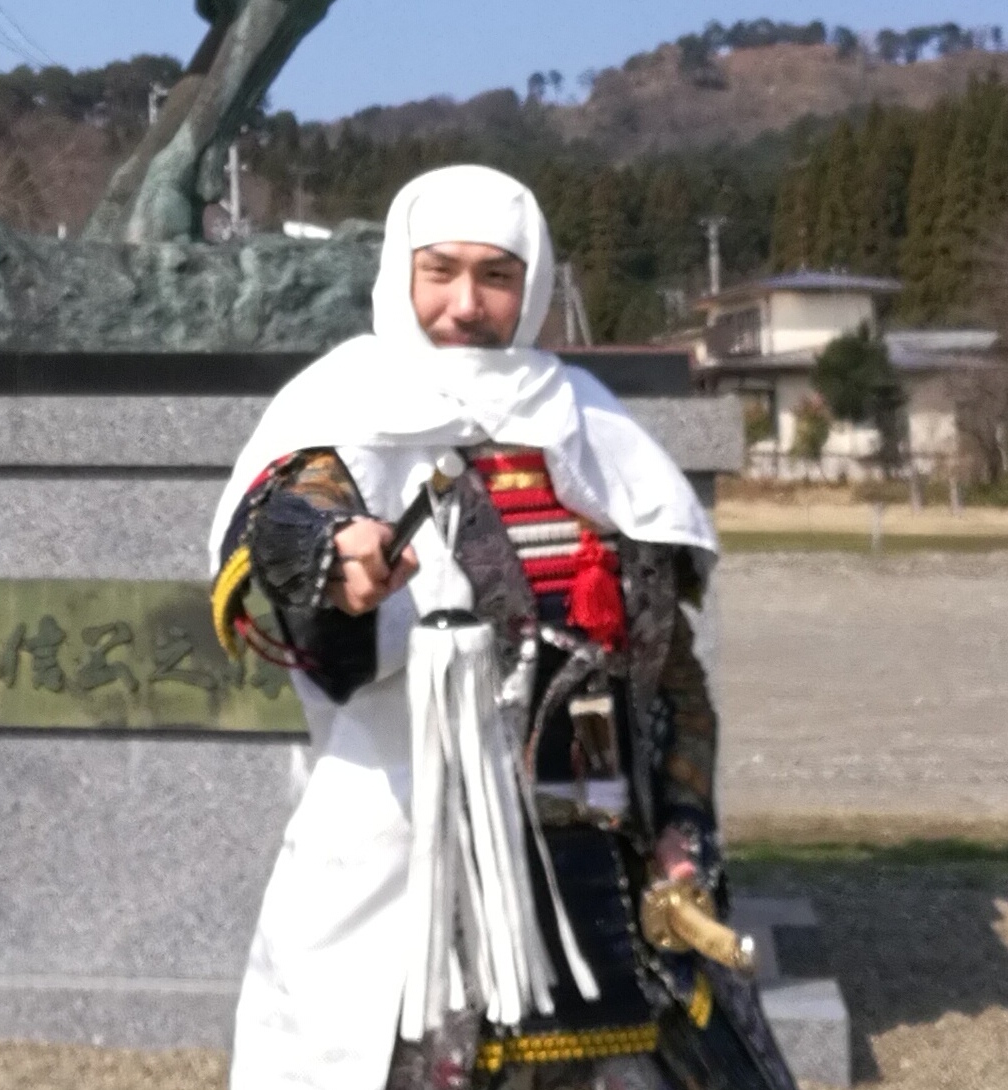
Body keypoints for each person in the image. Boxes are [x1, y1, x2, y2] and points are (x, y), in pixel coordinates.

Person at [209, 166, 797, 1090]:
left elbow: (672, 678)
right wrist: (332, 552)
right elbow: (288, 511)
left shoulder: (589, 420)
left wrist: (684, 828)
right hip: (411, 863)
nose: (464, 304)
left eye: (494, 276)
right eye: (438, 271)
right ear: (399, 273)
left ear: (533, 286)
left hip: (601, 855)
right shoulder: (342, 406)